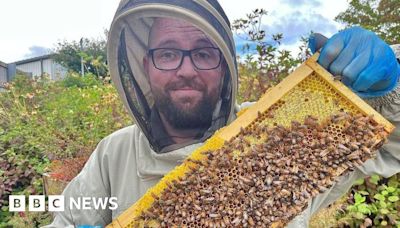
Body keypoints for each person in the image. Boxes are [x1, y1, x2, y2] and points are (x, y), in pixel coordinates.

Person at [46, 0, 400, 227]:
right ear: (144, 67)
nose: (185, 70)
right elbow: (66, 220)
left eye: (203, 53)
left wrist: (391, 90)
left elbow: (390, 145)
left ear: (225, 66)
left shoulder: (275, 135)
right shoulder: (113, 154)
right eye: (168, 54)